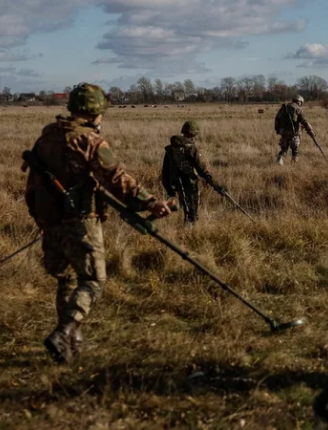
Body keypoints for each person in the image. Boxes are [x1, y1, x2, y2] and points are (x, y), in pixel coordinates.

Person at [24, 83, 173, 364]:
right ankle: (63, 332)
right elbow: (116, 179)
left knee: (67, 279)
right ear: (95, 113)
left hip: (51, 221)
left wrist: (39, 218)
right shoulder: (89, 140)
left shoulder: (47, 137)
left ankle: (69, 346)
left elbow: (32, 183)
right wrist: (150, 202)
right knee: (93, 280)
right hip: (80, 221)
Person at [161, 120, 222, 224]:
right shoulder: (191, 148)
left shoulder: (170, 149)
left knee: (186, 208)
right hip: (190, 183)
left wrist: (168, 188)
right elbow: (201, 169)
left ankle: (187, 227)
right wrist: (213, 182)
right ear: (194, 134)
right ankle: (190, 232)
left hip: (176, 182)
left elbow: (165, 171)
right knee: (192, 212)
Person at [274, 95, 315, 165]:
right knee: (295, 150)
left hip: (283, 131)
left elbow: (277, 119)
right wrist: (310, 131)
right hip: (293, 132)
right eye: (301, 103)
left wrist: (278, 130)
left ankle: (279, 159)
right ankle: (294, 165)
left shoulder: (284, 107)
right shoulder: (298, 109)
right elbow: (304, 121)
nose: (301, 105)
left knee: (284, 148)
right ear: (299, 101)